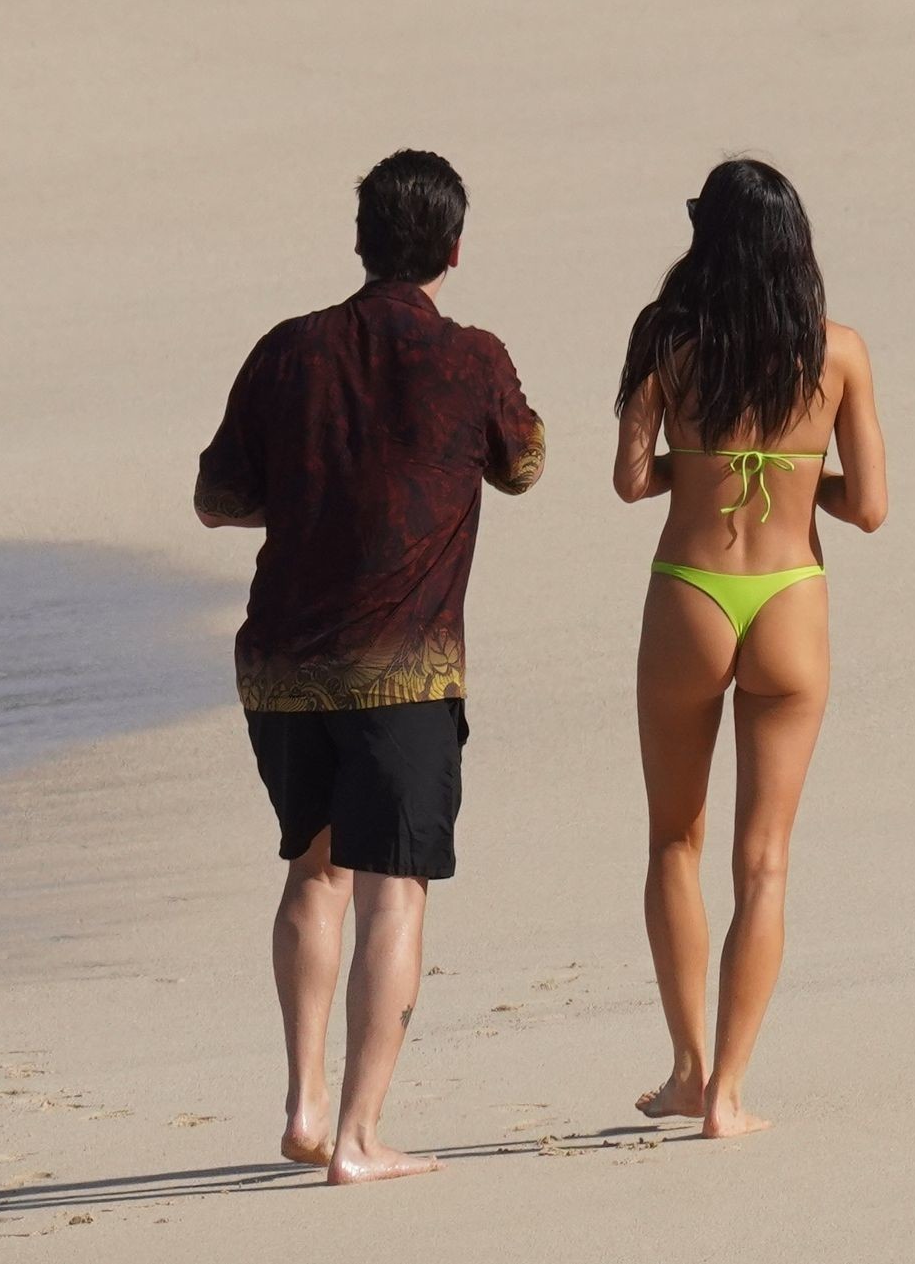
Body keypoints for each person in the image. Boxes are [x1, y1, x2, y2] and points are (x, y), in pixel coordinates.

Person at [195, 149, 544, 1183]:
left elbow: (217, 499)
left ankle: (304, 1103)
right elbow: (524, 464)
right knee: (397, 888)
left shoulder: (287, 350)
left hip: (284, 665)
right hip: (407, 668)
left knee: (315, 868)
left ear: (360, 241)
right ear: (454, 249)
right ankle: (357, 1135)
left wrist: (316, 493)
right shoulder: (470, 358)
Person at [612, 157, 887, 1138]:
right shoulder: (839, 352)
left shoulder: (668, 340)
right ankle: (729, 1092)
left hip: (692, 591)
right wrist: (803, 477)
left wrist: (694, 461)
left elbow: (629, 480)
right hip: (790, 600)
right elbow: (871, 507)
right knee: (764, 860)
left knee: (672, 840)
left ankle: (687, 1068)